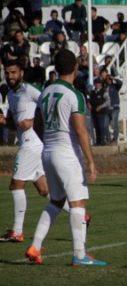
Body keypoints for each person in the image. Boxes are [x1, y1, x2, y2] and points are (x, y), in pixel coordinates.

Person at [25, 49, 106, 267]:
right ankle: (79, 255)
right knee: (77, 202)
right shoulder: (74, 94)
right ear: (75, 68)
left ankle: (35, 246)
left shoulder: (45, 92)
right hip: (66, 153)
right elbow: (81, 131)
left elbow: (38, 123)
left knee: (56, 201)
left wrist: (47, 142)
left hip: (47, 152)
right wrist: (90, 161)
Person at [0, 60, 51, 242]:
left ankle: (17, 231)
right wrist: (5, 121)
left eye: (13, 72)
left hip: (30, 144)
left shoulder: (29, 90)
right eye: (7, 73)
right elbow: (16, 123)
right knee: (44, 189)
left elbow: (48, 102)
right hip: (31, 145)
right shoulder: (11, 95)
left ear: (21, 72)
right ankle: (81, 215)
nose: (10, 76)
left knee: (15, 184)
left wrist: (33, 120)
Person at [101, 69, 122, 143]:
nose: (108, 80)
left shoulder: (115, 86)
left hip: (115, 107)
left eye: (109, 79)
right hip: (107, 108)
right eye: (107, 79)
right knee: (105, 125)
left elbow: (120, 82)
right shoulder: (104, 87)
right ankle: (108, 139)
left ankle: (115, 139)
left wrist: (113, 78)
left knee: (114, 123)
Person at [89, 79, 110, 146]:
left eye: (98, 83)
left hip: (101, 112)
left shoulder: (104, 91)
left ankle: (103, 141)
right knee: (96, 127)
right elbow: (89, 100)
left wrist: (100, 107)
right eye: (96, 83)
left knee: (101, 126)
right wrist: (89, 104)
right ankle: (98, 141)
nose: (97, 85)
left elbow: (108, 102)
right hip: (94, 112)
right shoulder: (92, 92)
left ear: (100, 84)